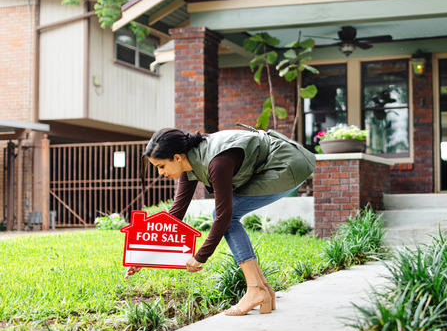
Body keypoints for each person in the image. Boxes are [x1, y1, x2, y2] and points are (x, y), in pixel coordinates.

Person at [126, 126, 316, 316]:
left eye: (161, 166)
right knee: (224, 214)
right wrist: (144, 257)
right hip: (277, 163)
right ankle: (262, 288)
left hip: (287, 165)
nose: (160, 173)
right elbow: (175, 216)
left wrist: (201, 256)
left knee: (224, 215)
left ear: (177, 157)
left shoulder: (217, 163)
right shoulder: (189, 163)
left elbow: (224, 217)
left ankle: (256, 289)